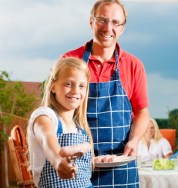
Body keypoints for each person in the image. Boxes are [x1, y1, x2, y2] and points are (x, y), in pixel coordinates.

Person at [61, 0, 150, 187]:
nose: (108, 27)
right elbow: (57, 111)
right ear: (91, 22)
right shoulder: (70, 60)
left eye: (115, 22)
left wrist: (134, 140)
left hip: (120, 166)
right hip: (78, 163)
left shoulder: (134, 65)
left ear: (123, 28)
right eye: (102, 20)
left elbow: (142, 112)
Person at [27, 57, 94, 187]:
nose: (75, 91)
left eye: (81, 86)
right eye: (68, 84)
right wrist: (58, 160)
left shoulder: (79, 127)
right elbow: (47, 139)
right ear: (53, 87)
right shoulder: (45, 115)